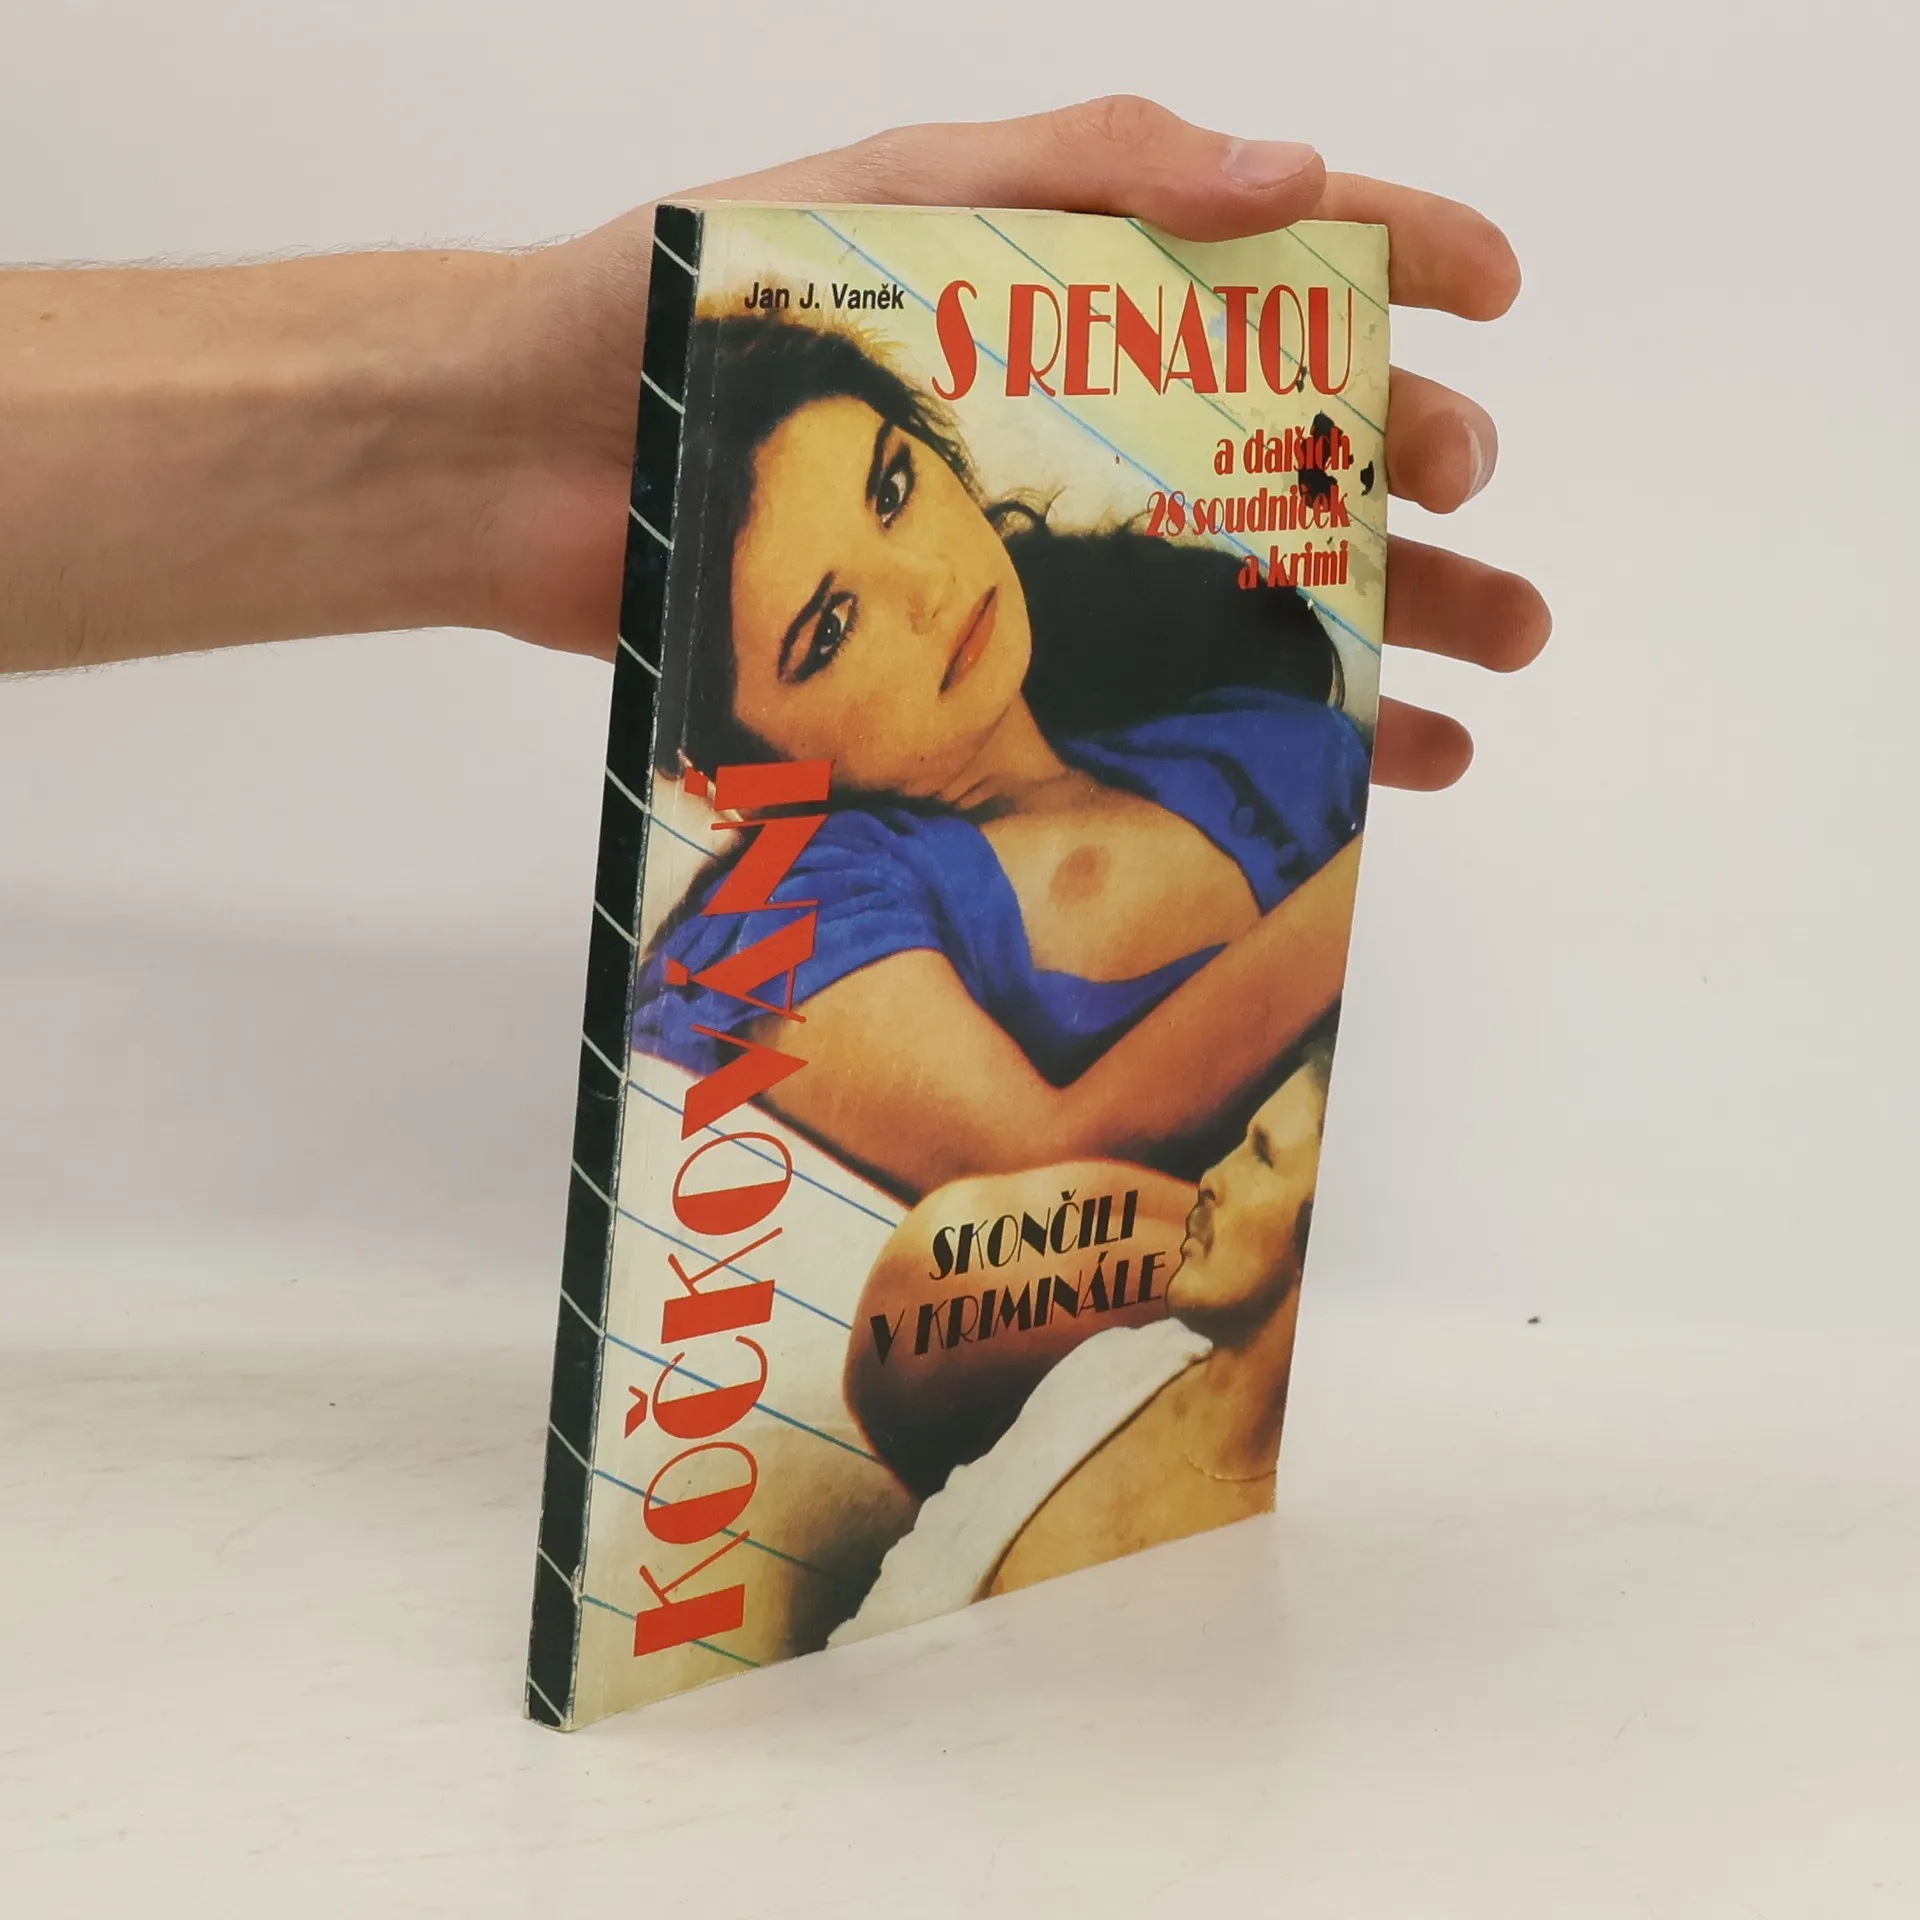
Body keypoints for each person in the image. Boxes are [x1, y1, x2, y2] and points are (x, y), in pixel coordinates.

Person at [634, 314, 1370, 1196]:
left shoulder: (1267, 743)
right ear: (746, 752)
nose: (930, 584)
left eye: (892, 492)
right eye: (831, 628)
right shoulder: (795, 910)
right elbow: (1044, 1167)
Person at [830, 1041, 1334, 1646]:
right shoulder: (1111, 1372)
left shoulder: (1312, 1552)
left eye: (1261, 1158)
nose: (1211, 1180)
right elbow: (882, 1624)